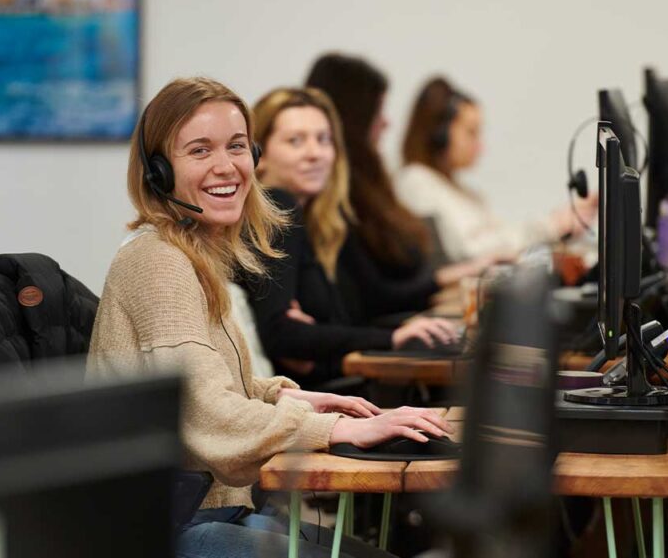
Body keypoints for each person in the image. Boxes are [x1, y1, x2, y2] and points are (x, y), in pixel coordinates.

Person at [85, 76, 452, 558]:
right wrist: (338, 430)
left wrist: (293, 397)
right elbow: (206, 412)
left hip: (206, 513)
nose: (226, 166)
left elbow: (208, 383)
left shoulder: (194, 255)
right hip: (165, 531)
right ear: (158, 172)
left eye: (237, 146)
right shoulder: (157, 261)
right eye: (200, 150)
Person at [243, 87, 460, 388]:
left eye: (324, 139)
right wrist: (392, 337)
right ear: (259, 154)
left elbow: (366, 304)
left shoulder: (322, 219)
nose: (315, 153)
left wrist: (403, 329)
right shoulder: (277, 207)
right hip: (316, 401)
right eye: (295, 141)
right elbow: (280, 333)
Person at [305, 53, 492, 325]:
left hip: (410, 318)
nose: (387, 123)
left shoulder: (372, 183)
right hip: (393, 329)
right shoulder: (346, 193)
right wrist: (452, 277)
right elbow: (375, 296)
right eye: (377, 112)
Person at [398, 77, 599, 264]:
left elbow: (503, 239)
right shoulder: (415, 181)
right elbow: (469, 251)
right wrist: (552, 226)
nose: (480, 146)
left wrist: (560, 223)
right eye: (471, 132)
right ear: (439, 135)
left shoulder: (467, 193)